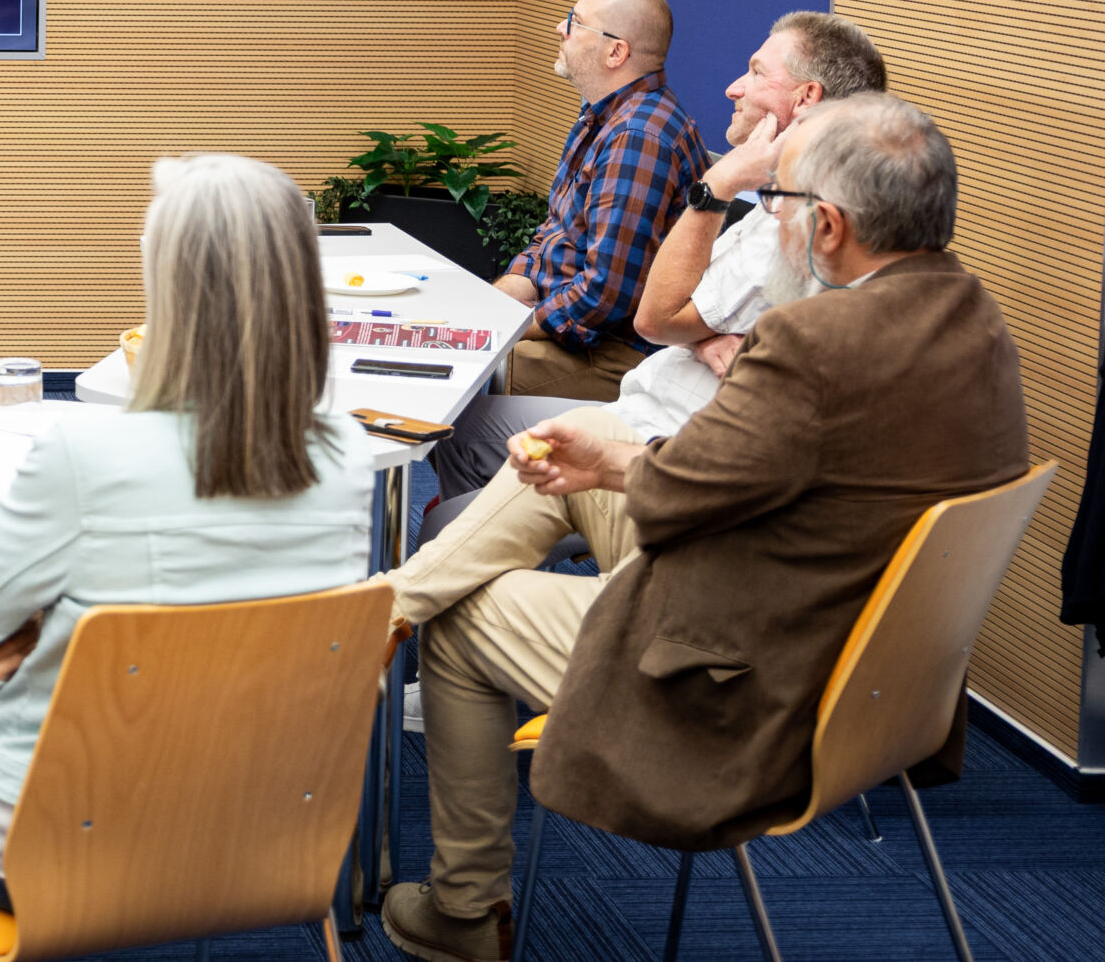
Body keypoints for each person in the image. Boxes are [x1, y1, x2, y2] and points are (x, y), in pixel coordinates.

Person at [381, 94, 1028, 962]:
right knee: (592, 436)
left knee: (464, 616)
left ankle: (465, 910)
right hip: (875, 673)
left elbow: (686, 493)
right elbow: (725, 478)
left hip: (758, 685)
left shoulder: (812, 340)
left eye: (778, 200)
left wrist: (618, 465)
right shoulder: (973, 314)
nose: (770, 218)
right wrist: (610, 461)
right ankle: (386, 603)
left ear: (829, 225)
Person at [0, 155, 373, 962]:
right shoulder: (348, 455)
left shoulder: (88, 453)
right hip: (269, 837)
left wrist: (42, 624)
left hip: (54, 851)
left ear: (170, 289)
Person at [428, 11, 886, 492]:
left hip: (655, 415)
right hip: (651, 393)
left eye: (755, 72)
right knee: (454, 390)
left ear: (806, 97)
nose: (733, 88)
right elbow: (555, 238)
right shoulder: (604, 121)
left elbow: (630, 305)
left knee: (452, 394)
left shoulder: (792, 217)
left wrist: (719, 184)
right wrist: (698, 336)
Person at [449, 0, 706, 496]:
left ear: (616, 51)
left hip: (617, 354)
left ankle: (475, 524)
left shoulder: (638, 137)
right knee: (453, 348)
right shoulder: (602, 117)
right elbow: (553, 235)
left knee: (456, 380)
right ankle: (471, 517)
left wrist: (510, 328)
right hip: (582, 335)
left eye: (574, 21)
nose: (559, 29)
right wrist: (505, 295)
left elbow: (605, 295)